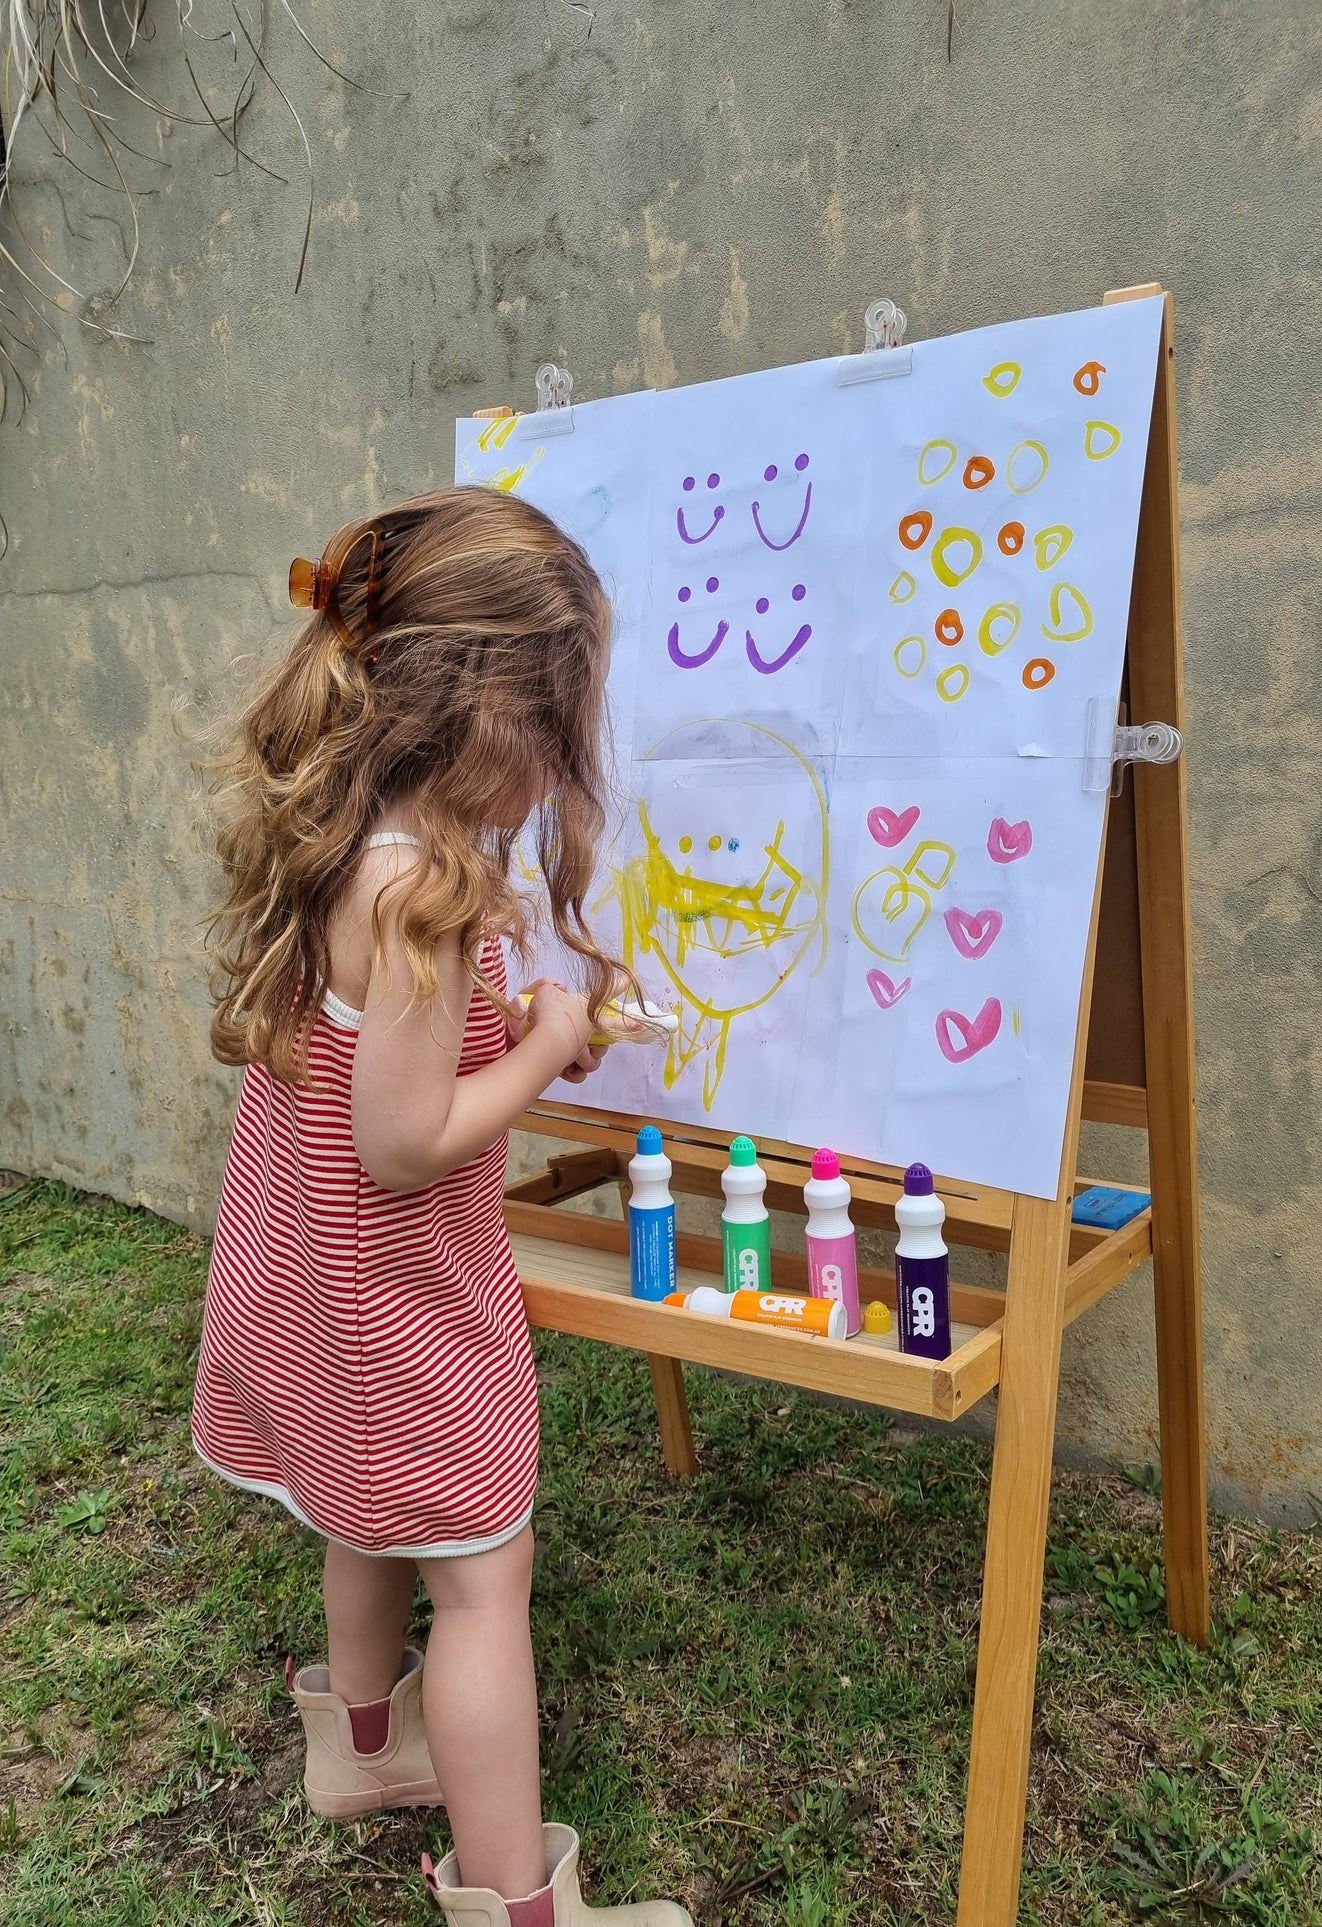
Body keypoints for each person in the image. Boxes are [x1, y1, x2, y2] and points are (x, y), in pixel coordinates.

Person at [192, 486, 690, 1927]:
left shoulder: (351, 837)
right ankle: (515, 1903)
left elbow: (368, 1083)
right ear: (482, 708)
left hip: (306, 1290)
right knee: (480, 1578)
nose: (562, 768)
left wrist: (514, 1024)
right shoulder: (420, 895)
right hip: (390, 1306)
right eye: (558, 727)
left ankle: (360, 1744)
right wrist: (542, 1040)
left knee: (367, 1515)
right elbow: (406, 1145)